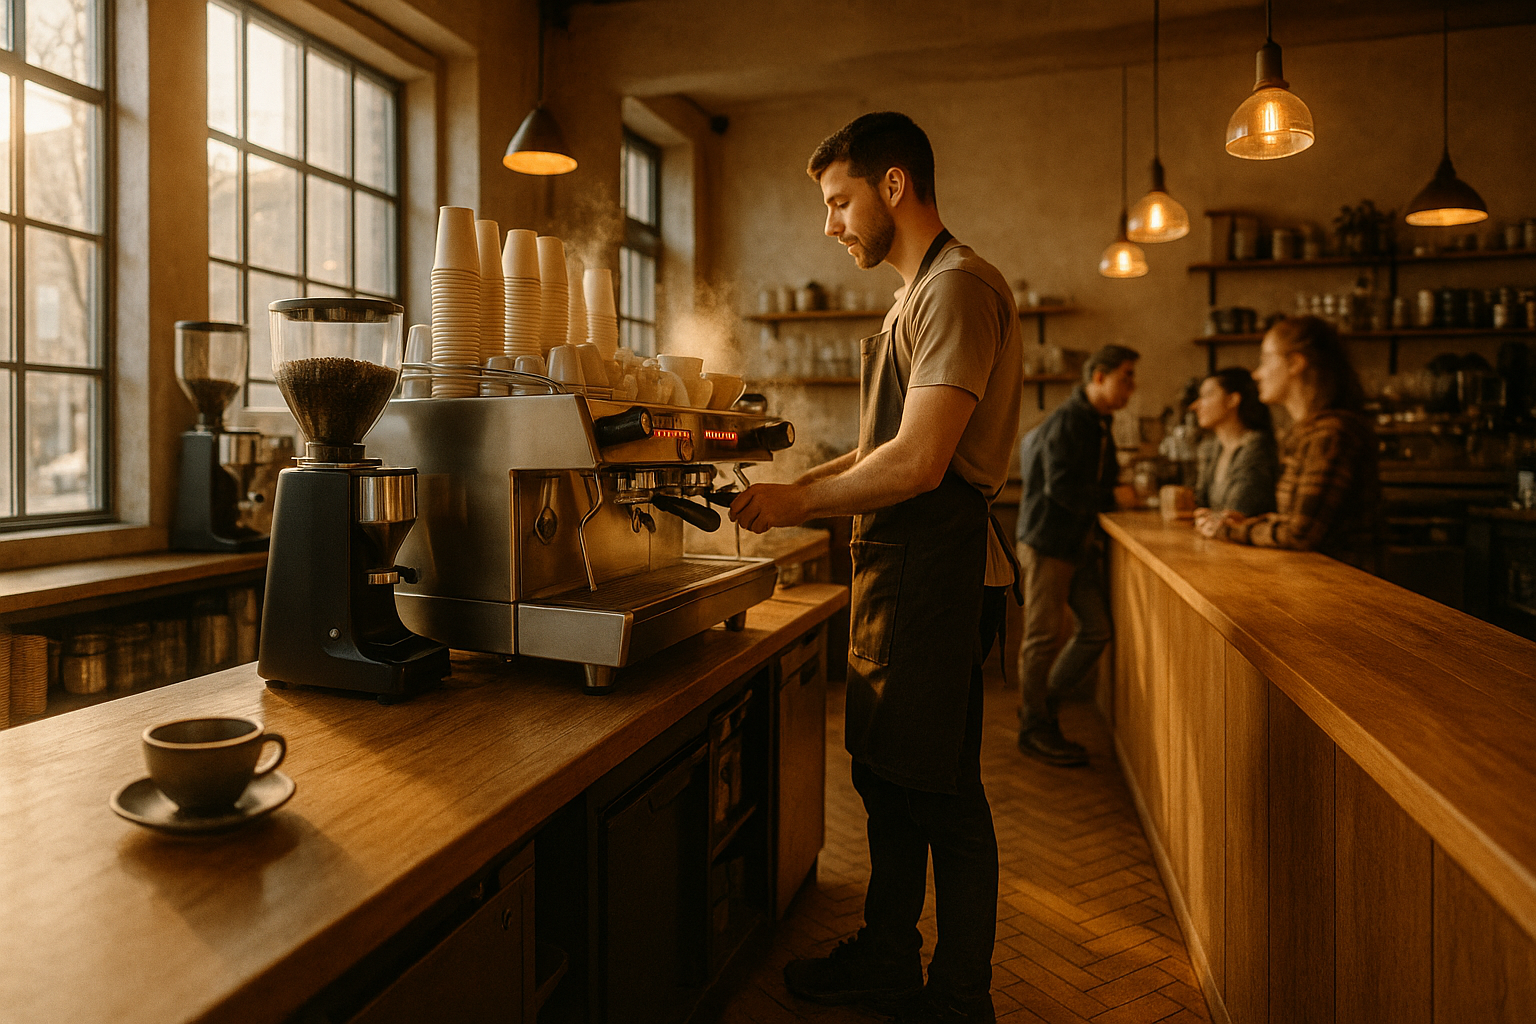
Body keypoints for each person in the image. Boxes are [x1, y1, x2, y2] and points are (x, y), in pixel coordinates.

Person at [726, 111, 1023, 1024]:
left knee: (943, 796)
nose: (830, 224)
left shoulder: (957, 288)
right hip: (901, 569)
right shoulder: (911, 295)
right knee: (887, 781)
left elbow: (921, 464)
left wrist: (798, 506)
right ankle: (891, 957)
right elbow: (879, 449)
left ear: (894, 185)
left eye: (838, 200)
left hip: (939, 572)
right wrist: (792, 489)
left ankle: (961, 998)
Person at [1014, 345, 1137, 767]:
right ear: (1098, 376)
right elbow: (1061, 489)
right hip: (1049, 542)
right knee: (1042, 638)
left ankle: (1042, 706)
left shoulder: (1097, 421)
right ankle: (1034, 728)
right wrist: (1113, 497)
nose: (1131, 386)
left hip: (1075, 543)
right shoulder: (1071, 421)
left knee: (1096, 630)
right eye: (1125, 376)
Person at [1195, 316, 1381, 570]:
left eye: (1265, 360)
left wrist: (1228, 530)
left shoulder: (1330, 433)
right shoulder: (1310, 431)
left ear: (1295, 363)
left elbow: (1300, 533)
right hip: (1317, 579)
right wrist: (1246, 524)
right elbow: (1295, 521)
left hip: (1344, 585)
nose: (1257, 374)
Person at [1191, 367, 1280, 517]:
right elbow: (1200, 503)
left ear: (1232, 400)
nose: (1195, 405)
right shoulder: (1212, 448)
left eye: (1207, 395)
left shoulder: (1257, 447)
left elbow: (1240, 512)